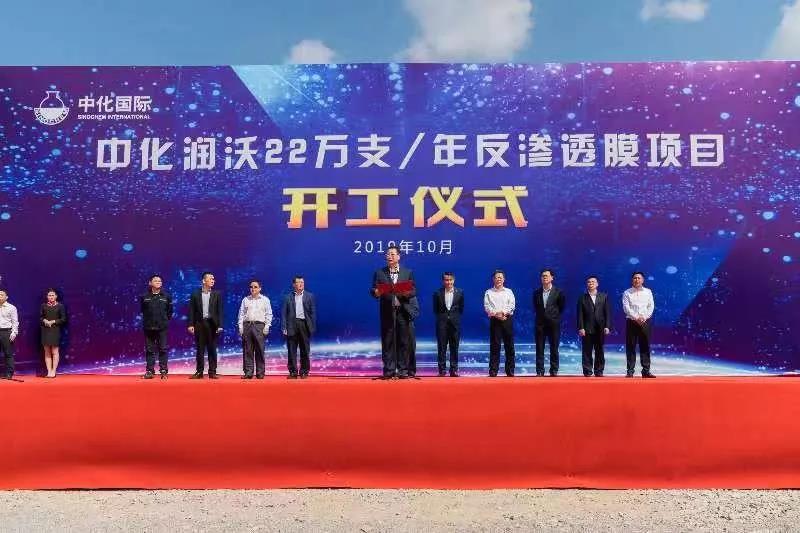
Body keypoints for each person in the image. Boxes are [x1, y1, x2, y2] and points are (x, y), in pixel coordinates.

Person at [370, 245, 417, 379]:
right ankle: (389, 370)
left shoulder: (407, 272)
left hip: (402, 311)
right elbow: (373, 290)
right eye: (387, 254)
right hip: (387, 311)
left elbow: (413, 290)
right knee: (388, 341)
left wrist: (403, 293)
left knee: (403, 341)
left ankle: (402, 370)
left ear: (398, 256)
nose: (389, 256)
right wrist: (376, 292)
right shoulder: (379, 273)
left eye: (392, 254)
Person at [188, 271, 224, 379]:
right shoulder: (195, 294)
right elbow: (191, 310)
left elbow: (220, 311)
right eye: (210, 279)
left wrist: (220, 325)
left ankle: (212, 372)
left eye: (213, 279)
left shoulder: (217, 294)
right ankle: (199, 372)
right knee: (200, 349)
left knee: (212, 349)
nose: (213, 281)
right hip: (199, 324)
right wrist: (190, 324)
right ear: (204, 281)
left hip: (212, 324)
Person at [281, 275, 316, 379]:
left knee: (305, 349)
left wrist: (312, 326)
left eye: (302, 282)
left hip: (304, 324)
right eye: (298, 282)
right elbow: (284, 313)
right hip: (292, 325)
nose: (301, 284)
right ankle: (293, 372)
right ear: (294, 284)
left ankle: (304, 371)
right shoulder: (287, 297)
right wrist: (284, 327)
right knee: (291, 350)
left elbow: (313, 313)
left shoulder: (309, 296)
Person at [622, 271, 656, 378]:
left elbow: (651, 306)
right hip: (632, 322)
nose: (637, 280)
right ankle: (630, 371)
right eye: (635, 278)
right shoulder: (627, 292)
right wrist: (636, 317)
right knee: (631, 346)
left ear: (643, 280)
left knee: (645, 346)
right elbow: (626, 308)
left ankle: (646, 371)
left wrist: (644, 317)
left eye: (639, 278)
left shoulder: (648, 292)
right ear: (632, 280)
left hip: (645, 321)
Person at [576, 275, 611, 377]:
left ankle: (599, 371)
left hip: (600, 328)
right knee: (587, 350)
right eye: (589, 282)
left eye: (593, 282)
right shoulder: (582, 298)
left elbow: (607, 313)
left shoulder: (604, 296)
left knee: (599, 350)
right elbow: (580, 314)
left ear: (597, 284)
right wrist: (581, 327)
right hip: (587, 328)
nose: (590, 283)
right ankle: (587, 371)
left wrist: (607, 326)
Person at [533, 268, 566, 376]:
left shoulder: (558, 292)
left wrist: (553, 316)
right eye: (543, 276)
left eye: (546, 276)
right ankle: (540, 371)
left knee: (554, 348)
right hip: (540, 324)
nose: (544, 277)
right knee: (539, 348)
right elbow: (536, 307)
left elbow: (561, 307)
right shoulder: (537, 293)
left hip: (553, 324)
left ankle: (554, 370)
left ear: (552, 278)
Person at [237, 279, 272, 379]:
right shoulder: (245, 299)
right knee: (247, 350)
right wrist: (240, 326)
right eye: (251, 287)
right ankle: (248, 372)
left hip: (259, 326)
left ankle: (260, 372)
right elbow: (241, 314)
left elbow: (269, 314)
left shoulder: (265, 300)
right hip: (247, 325)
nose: (253, 289)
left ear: (260, 288)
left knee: (260, 350)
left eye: (255, 287)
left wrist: (267, 326)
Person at [140, 275, 173, 380]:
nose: (158, 282)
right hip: (148, 327)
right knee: (149, 350)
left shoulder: (166, 296)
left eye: (160, 281)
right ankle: (150, 371)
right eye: (156, 280)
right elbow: (143, 310)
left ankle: (163, 371)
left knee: (163, 349)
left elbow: (169, 312)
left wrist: (164, 320)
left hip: (162, 327)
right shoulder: (144, 296)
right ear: (150, 283)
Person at [483, 270, 516, 377]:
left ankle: (510, 370)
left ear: (504, 279)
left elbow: (512, 305)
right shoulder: (488, 292)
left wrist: (503, 313)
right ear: (493, 279)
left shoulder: (509, 292)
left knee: (509, 346)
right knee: (495, 346)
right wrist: (496, 314)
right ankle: (493, 370)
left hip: (507, 319)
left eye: (500, 277)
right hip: (495, 320)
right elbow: (487, 306)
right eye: (496, 277)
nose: (498, 279)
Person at [432, 272, 464, 377]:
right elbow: (435, 309)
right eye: (446, 280)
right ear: (443, 281)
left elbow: (461, 308)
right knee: (441, 347)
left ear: (453, 280)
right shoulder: (437, 293)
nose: (448, 282)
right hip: (442, 324)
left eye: (450, 280)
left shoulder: (460, 292)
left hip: (455, 324)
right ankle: (442, 370)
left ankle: (454, 370)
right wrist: (444, 317)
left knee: (454, 347)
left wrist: (453, 317)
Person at [40, 288, 67, 378]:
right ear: (47, 297)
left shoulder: (60, 306)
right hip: (45, 330)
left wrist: (53, 321)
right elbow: (40, 317)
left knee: (55, 351)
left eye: (52, 295)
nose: (51, 297)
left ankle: (53, 371)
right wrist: (44, 320)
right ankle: (49, 371)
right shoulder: (43, 305)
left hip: (55, 330)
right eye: (49, 295)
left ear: (56, 296)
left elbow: (63, 319)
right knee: (47, 351)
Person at [0, 289, 19, 380]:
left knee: (8, 353)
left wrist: (14, 332)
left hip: (6, 332)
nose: (0, 296)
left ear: (6, 297)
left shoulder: (11, 307)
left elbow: (15, 322)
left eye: (1, 295)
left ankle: (9, 373)